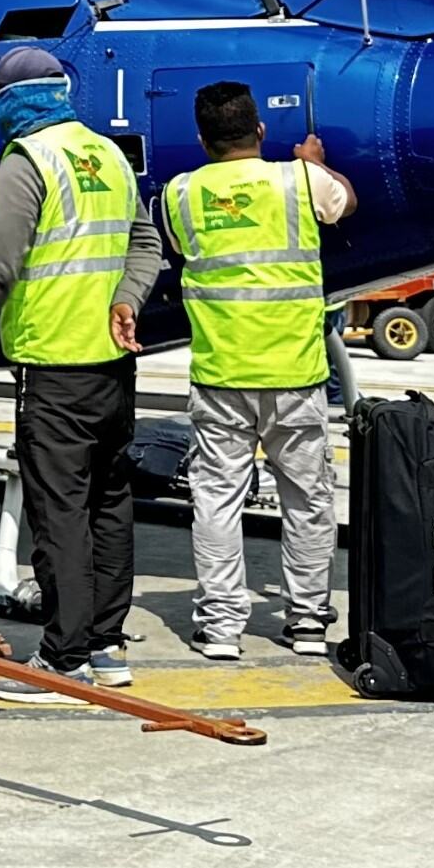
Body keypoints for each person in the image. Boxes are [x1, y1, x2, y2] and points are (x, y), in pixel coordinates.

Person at [0, 46, 163, 700]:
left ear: (15, 99)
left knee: (61, 517)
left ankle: (64, 655)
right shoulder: (106, 153)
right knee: (110, 506)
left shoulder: (28, 161)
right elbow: (146, 242)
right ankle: (106, 646)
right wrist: (128, 300)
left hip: (54, 366)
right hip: (112, 367)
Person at [162, 81, 357, 660]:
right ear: (261, 131)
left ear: (202, 138)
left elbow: (177, 248)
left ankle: (221, 628)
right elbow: (345, 202)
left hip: (221, 375)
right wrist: (317, 165)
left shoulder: (182, 193)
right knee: (307, 500)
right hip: (294, 372)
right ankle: (307, 623)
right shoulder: (298, 180)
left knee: (216, 500)